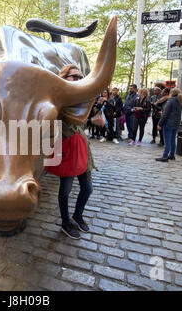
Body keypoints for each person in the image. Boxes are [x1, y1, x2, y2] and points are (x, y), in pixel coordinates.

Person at [55, 65, 99, 239]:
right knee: (65, 191)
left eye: (79, 76)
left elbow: (80, 124)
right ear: (64, 77)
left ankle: (77, 215)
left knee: (87, 189)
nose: (78, 79)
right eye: (74, 76)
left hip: (82, 149)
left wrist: (93, 120)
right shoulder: (56, 99)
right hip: (68, 150)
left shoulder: (81, 99)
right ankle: (66, 222)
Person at [156, 88, 182, 162]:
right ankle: (172, 155)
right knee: (172, 140)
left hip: (168, 123)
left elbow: (165, 114)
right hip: (176, 123)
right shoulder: (180, 101)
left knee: (167, 141)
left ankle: (165, 156)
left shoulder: (170, 101)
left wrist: (160, 123)